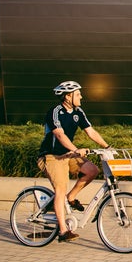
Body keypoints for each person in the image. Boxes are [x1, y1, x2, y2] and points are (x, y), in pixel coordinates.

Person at [37, 81, 110, 242]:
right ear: (68, 96)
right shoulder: (55, 112)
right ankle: (63, 231)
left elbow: (90, 131)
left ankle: (71, 198)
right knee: (60, 189)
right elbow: (60, 135)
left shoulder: (78, 112)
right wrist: (76, 150)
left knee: (92, 171)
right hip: (52, 156)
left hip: (68, 154)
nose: (81, 96)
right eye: (78, 94)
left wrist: (107, 146)